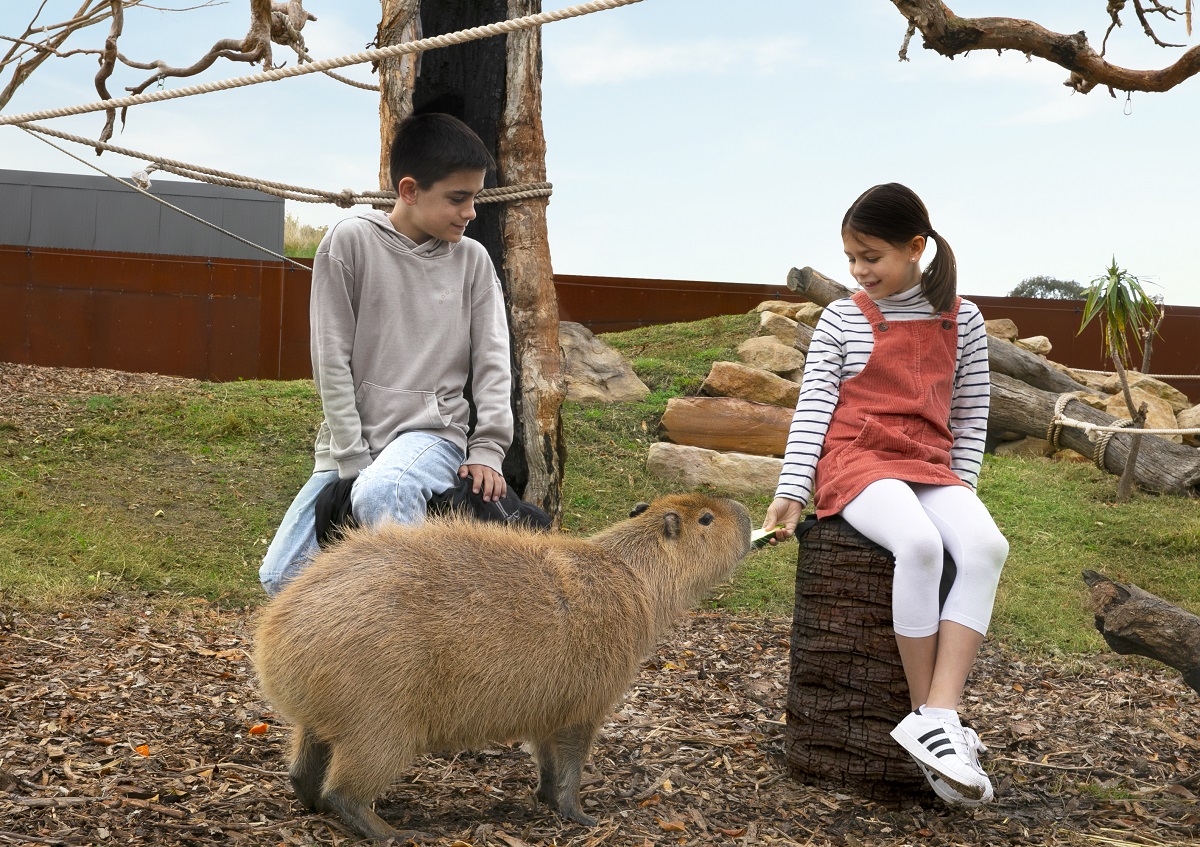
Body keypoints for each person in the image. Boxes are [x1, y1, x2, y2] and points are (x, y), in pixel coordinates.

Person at [762, 183, 1008, 805]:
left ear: (916, 248)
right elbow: (814, 407)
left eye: (870, 256)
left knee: (984, 546)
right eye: (851, 257)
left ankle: (938, 718)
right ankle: (930, 717)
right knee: (920, 546)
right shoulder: (844, 317)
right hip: (857, 460)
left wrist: (966, 494)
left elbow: (971, 414)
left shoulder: (964, 318)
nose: (857, 271)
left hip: (931, 464)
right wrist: (793, 490)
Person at [259, 112, 513, 597]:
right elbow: (329, 359)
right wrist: (351, 455)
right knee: (282, 580)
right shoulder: (349, 241)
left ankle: (422, 651)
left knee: (385, 491)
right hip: (352, 444)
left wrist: (488, 449)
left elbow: (493, 364)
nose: (471, 212)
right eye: (458, 198)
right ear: (410, 190)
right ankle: (362, 663)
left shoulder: (473, 262)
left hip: (431, 434)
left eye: (475, 197)